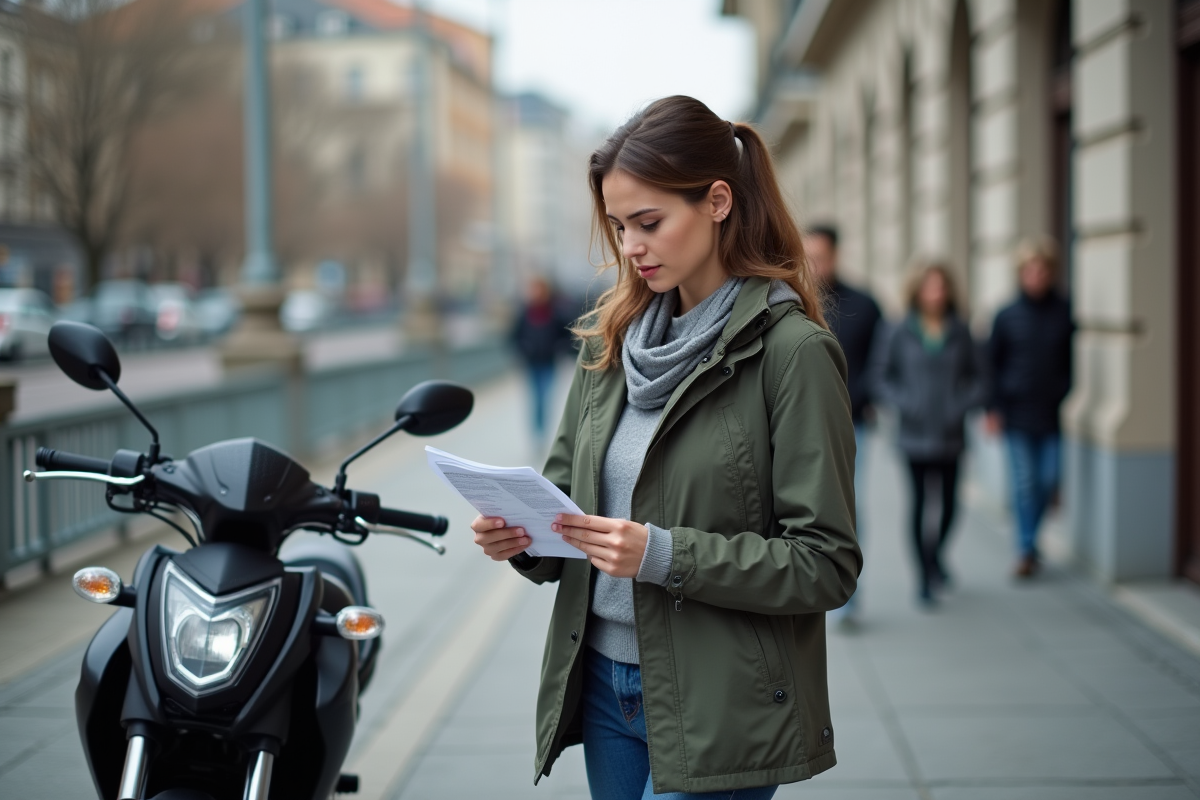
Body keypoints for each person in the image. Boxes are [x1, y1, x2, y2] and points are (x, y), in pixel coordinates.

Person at [471, 96, 860, 799]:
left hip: (723, 696)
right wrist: (521, 537)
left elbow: (826, 564)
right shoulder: (611, 344)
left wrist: (664, 554)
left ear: (717, 202)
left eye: (649, 222)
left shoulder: (793, 352)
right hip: (602, 685)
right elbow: (569, 504)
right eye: (619, 226)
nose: (631, 247)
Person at [872, 261, 986, 605]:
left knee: (951, 505)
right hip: (914, 435)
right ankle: (923, 577)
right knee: (920, 505)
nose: (936, 294)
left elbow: (980, 378)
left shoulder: (960, 329)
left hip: (951, 433)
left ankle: (936, 555)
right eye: (929, 287)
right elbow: (880, 377)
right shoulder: (898, 330)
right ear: (917, 291)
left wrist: (960, 404)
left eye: (941, 287)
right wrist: (907, 404)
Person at [805, 223, 881, 628]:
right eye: (809, 257)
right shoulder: (787, 302)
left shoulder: (865, 305)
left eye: (822, 256)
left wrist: (864, 396)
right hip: (796, 426)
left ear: (836, 255)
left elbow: (882, 361)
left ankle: (847, 596)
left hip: (852, 423)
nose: (815, 265)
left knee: (847, 507)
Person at [985, 237, 1073, 578]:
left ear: (1051, 273)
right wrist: (993, 409)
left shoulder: (1064, 311)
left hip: (1050, 413)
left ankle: (1031, 541)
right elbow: (991, 364)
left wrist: (1063, 390)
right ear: (1021, 274)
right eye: (1029, 270)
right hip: (1016, 413)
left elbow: (1069, 362)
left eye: (1042, 270)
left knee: (1049, 480)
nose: (1036, 276)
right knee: (1025, 482)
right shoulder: (1006, 316)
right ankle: (1024, 549)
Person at [511, 276, 572, 444]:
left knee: (545, 396)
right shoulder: (524, 312)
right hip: (531, 363)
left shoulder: (554, 311)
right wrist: (523, 348)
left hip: (549, 362)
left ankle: (542, 431)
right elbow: (514, 336)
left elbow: (567, 334)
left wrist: (559, 348)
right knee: (535, 398)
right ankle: (537, 433)